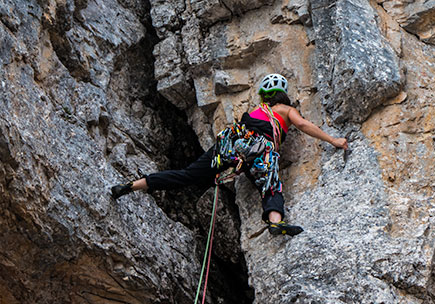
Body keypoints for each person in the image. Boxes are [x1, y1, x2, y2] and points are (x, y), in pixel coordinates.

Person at [111, 74, 348, 236]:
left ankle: (133, 185)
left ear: (264, 95)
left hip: (232, 144)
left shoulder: (255, 110)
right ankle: (276, 223)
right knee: (270, 186)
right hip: (259, 150)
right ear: (282, 94)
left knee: (187, 175)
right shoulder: (285, 110)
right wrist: (333, 140)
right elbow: (304, 125)